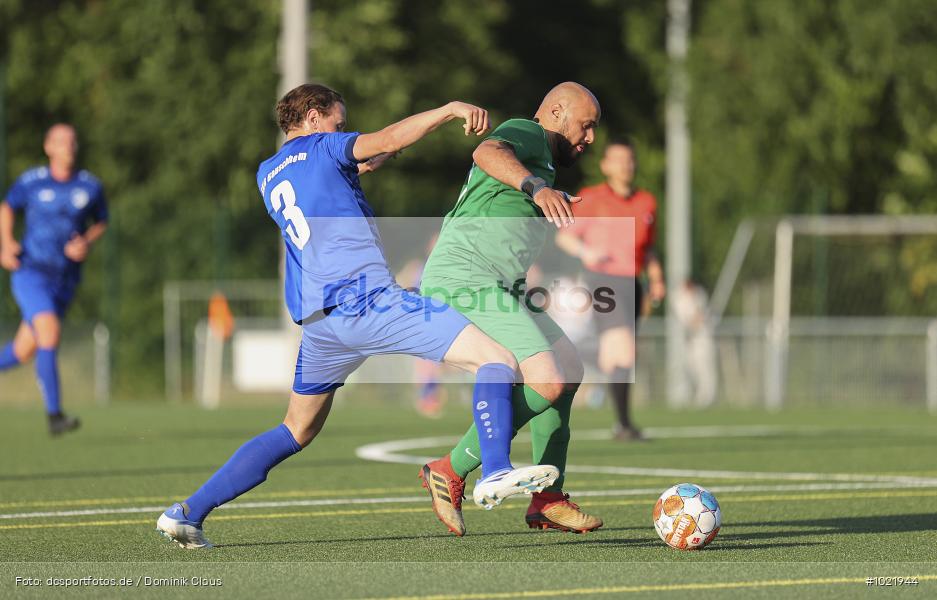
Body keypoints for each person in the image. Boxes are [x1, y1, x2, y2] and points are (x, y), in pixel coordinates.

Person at [156, 83, 559, 549]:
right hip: (366, 302)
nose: (343, 130)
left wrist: (369, 162)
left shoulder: (267, 173)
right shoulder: (324, 146)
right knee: (498, 358)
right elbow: (386, 138)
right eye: (339, 123)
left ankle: (187, 512)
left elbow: (338, 175)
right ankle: (495, 471)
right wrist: (448, 110)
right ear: (313, 118)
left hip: (320, 323)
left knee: (295, 429)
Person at [419, 82, 605, 536]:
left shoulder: (543, 162)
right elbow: (487, 151)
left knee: (569, 369)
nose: (590, 138)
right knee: (547, 379)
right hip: (466, 276)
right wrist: (537, 188)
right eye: (586, 126)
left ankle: (548, 499)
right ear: (556, 113)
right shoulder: (528, 132)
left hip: (504, 285)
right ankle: (450, 468)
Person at [0, 124, 108, 436]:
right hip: (31, 272)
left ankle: (54, 414)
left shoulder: (90, 186)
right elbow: (7, 207)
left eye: (72, 141)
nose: (68, 147)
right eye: (61, 141)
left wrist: (86, 241)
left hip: (64, 280)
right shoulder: (31, 181)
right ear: (48, 147)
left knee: (23, 350)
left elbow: (102, 222)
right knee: (49, 332)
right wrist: (6, 243)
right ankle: (55, 416)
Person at [556, 139, 665, 441]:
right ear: (605, 165)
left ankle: (575, 361)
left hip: (633, 283)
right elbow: (564, 238)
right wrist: (587, 252)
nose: (625, 165)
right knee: (623, 350)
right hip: (603, 280)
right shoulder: (591, 198)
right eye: (618, 159)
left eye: (629, 159)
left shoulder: (646, 202)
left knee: (618, 355)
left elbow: (648, 248)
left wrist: (657, 278)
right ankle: (623, 424)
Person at [672, 278, 717, 407]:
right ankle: (694, 394)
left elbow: (699, 316)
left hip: (702, 338)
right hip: (689, 339)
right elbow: (685, 319)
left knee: (705, 368)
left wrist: (695, 322)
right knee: (690, 366)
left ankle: (707, 397)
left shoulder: (699, 295)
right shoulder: (679, 298)